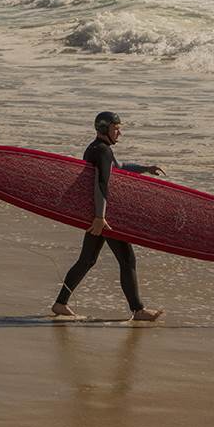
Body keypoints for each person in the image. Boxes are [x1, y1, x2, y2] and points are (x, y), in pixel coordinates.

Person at [52, 112, 165, 321]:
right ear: (105, 129)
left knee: (87, 260)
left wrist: (145, 169)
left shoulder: (96, 148)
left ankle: (60, 303)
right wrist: (100, 217)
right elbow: (101, 183)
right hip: (104, 216)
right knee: (127, 260)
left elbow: (118, 168)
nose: (119, 133)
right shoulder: (102, 151)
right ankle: (138, 310)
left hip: (96, 213)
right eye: (116, 129)